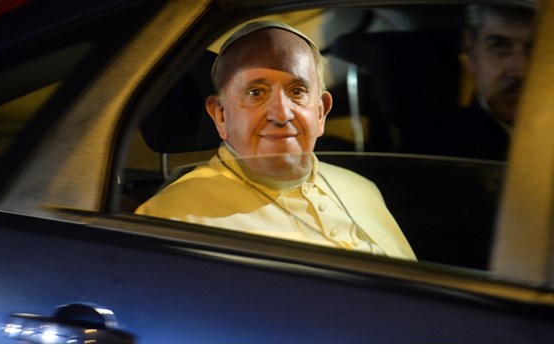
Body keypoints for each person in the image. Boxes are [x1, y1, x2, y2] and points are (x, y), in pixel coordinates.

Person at [136, 21, 416, 261]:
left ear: (320, 112)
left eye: (297, 91)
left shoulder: (363, 188)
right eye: (256, 93)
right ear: (220, 116)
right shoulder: (169, 222)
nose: (281, 114)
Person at [413, 4, 536, 160]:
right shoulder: (433, 154)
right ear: (470, 51)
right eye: (500, 47)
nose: (520, 72)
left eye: (537, 49)